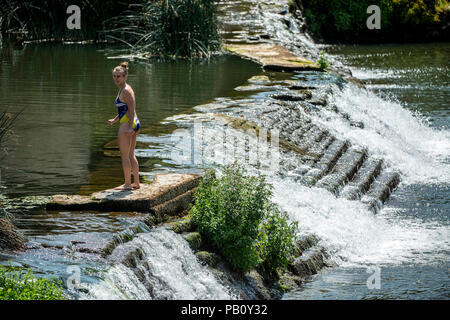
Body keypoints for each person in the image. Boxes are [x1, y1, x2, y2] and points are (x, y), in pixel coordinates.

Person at [108, 62, 141, 190]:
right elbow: (124, 109)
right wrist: (115, 120)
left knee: (125, 155)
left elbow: (132, 109)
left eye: (118, 76)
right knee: (131, 154)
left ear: (125, 76)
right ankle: (136, 183)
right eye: (114, 76)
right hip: (132, 122)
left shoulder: (126, 91)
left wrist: (129, 128)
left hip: (128, 124)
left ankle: (127, 184)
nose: (116, 79)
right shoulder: (123, 89)